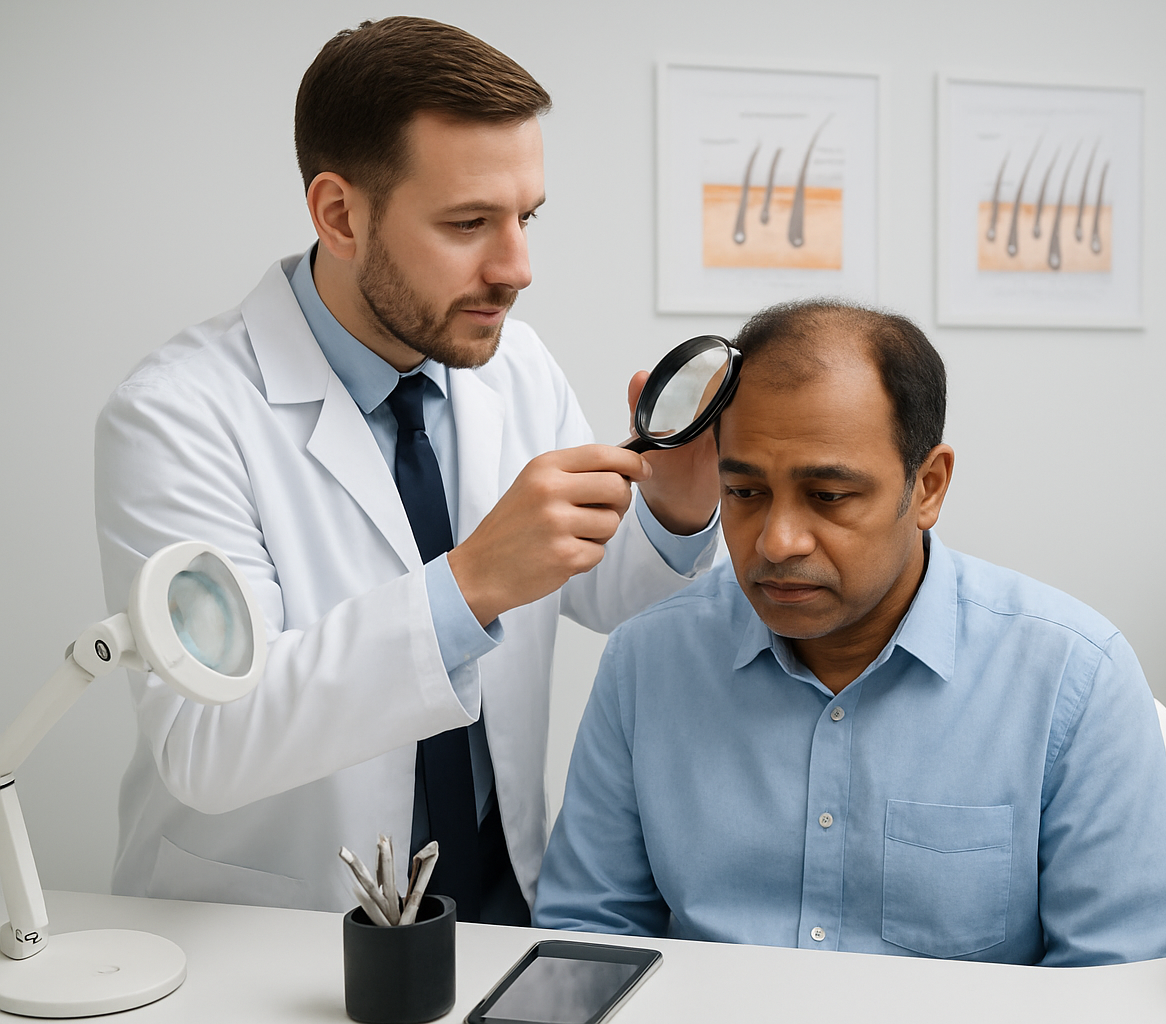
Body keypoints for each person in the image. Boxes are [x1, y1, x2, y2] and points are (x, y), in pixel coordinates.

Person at [95, 17, 719, 925]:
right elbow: (207, 741)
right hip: (282, 924)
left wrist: (676, 510)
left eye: (525, 218)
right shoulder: (177, 415)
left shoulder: (514, 363)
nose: (518, 268)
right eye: (470, 224)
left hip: (504, 895)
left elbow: (590, 591)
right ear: (340, 215)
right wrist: (467, 586)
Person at [534, 300, 1166, 964]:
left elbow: (1121, 981)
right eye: (744, 493)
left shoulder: (1072, 678)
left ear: (929, 487)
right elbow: (585, 940)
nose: (778, 540)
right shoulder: (647, 661)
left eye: (828, 496)